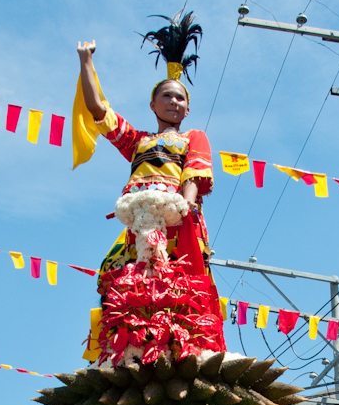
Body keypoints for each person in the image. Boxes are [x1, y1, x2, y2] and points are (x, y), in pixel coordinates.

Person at [74, 23, 226, 365]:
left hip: (177, 220)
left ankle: (186, 348)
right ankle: (131, 345)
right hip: (140, 222)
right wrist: (86, 62)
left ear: (188, 110)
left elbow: (194, 174)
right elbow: (98, 109)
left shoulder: (194, 138)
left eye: (181, 98)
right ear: (153, 105)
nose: (174, 101)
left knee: (182, 284)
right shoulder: (137, 142)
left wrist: (182, 207)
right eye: (167, 96)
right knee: (115, 277)